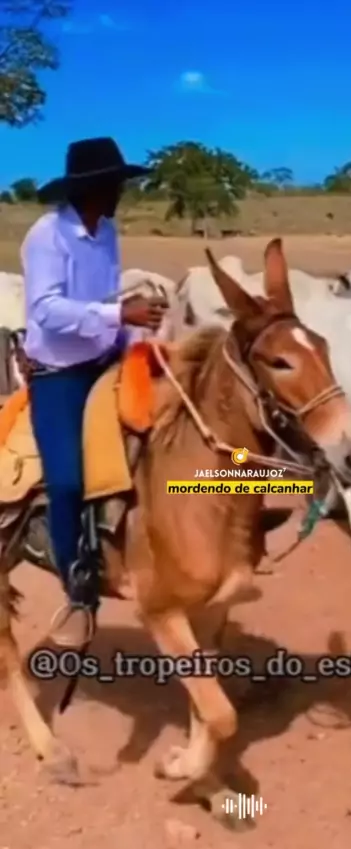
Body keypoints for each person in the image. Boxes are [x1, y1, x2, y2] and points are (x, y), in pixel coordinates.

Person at [21, 137, 166, 648]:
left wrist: (135, 336)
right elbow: (45, 309)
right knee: (66, 481)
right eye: (115, 185)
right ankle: (77, 585)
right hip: (58, 374)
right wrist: (118, 313)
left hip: (106, 361)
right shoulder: (46, 237)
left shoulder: (106, 232)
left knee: (167, 434)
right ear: (93, 188)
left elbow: (106, 300)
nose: (121, 193)